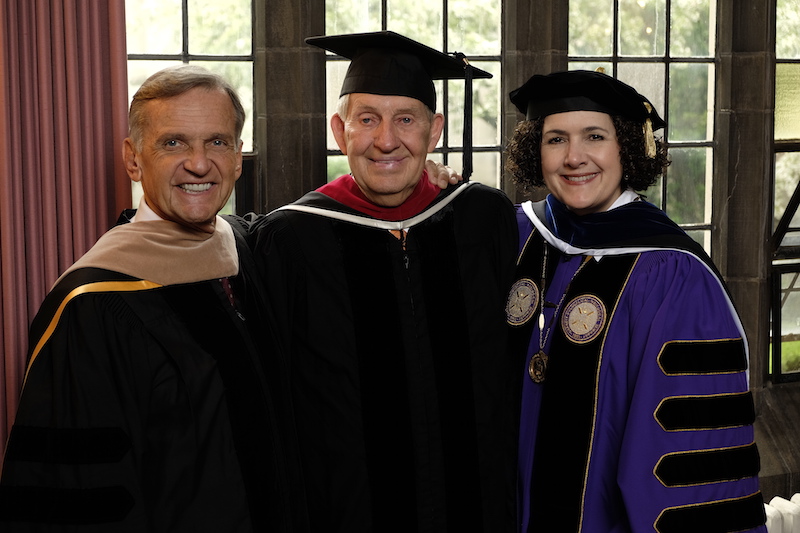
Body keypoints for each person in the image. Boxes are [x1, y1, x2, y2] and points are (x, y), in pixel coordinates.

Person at [0, 65, 306, 532]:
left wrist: (424, 183)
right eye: (173, 142)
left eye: (217, 142)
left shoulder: (246, 251)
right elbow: (75, 500)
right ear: (133, 158)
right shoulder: (93, 305)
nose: (199, 163)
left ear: (238, 157)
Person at [248, 31, 519, 532]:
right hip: (344, 512)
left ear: (434, 131)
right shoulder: (290, 241)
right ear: (339, 129)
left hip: (477, 506)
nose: (387, 140)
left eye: (406, 120)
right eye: (367, 119)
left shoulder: (481, 219)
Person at [505, 69, 767, 533]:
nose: (574, 157)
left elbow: (685, 465)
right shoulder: (515, 236)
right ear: (535, 151)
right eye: (555, 139)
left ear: (626, 147)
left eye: (594, 136)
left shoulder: (674, 274)